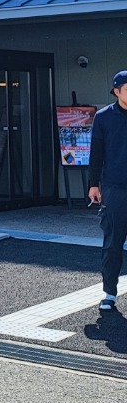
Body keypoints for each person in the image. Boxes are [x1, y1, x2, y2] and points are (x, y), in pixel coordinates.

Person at [87, 70, 127, 311]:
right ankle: (109, 293)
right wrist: (93, 184)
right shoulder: (103, 118)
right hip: (115, 189)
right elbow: (96, 154)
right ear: (117, 91)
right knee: (112, 243)